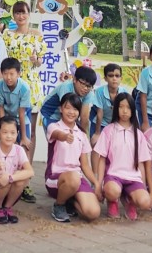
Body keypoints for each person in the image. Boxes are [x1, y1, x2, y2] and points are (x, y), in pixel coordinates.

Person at [94, 92, 152, 220]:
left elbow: (142, 163)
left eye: (128, 107)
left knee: (144, 202)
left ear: (133, 110)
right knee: (112, 191)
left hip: (133, 178)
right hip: (114, 176)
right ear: (116, 109)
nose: (124, 111)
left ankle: (130, 200)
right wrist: (98, 184)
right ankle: (113, 201)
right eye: (121, 107)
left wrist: (143, 186)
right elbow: (102, 159)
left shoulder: (138, 134)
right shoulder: (109, 130)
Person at [2, 0, 45, 175]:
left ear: (29, 14)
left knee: (30, 130)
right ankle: (8, 168)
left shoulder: (37, 35)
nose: (21, 16)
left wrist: (36, 60)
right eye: (17, 13)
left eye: (24, 12)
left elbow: (40, 60)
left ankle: (27, 171)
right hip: (11, 84)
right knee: (9, 127)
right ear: (13, 15)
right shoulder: (7, 35)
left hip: (31, 85)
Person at [44, 92, 100, 224]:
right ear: (61, 109)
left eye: (75, 109)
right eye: (67, 108)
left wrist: (96, 183)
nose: (71, 112)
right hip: (56, 179)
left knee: (93, 213)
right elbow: (57, 135)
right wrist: (64, 137)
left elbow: (85, 165)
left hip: (76, 178)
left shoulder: (81, 134)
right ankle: (59, 205)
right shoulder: (54, 126)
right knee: (74, 178)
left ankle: (70, 201)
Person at [0, 114, 34, 223]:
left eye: (12, 133)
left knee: (18, 178)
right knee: (4, 178)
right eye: (5, 132)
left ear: (17, 133)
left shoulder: (19, 150)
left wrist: (11, 177)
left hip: (7, 188)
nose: (9, 136)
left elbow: (30, 171)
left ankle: (7, 207)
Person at [40, 65, 97, 134]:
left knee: (77, 138)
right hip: (49, 115)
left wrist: (84, 137)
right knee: (60, 140)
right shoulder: (66, 87)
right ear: (74, 79)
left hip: (69, 115)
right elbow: (65, 112)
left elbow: (84, 117)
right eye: (83, 84)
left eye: (88, 86)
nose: (85, 88)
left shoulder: (89, 92)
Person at [0, 58, 31, 151]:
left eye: (12, 74)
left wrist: (23, 137)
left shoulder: (24, 88)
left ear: (18, 74)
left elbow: (22, 113)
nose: (8, 77)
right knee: (6, 145)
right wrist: (3, 126)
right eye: (5, 74)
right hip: (6, 117)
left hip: (21, 118)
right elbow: (0, 108)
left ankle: (26, 165)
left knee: (24, 146)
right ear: (1, 73)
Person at [92, 63, 130, 143]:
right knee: (96, 143)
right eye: (111, 75)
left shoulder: (124, 92)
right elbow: (100, 113)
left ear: (121, 78)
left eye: (117, 76)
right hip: (101, 123)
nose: (114, 78)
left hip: (116, 123)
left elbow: (126, 112)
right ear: (105, 78)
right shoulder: (99, 91)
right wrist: (97, 133)